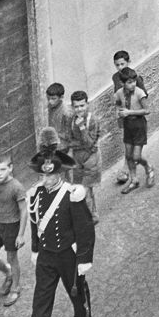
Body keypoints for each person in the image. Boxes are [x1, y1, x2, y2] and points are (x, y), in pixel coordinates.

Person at [25, 127, 95, 317]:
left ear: (59, 173)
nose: (45, 179)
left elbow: (85, 230)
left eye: (50, 175)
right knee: (40, 304)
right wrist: (36, 249)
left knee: (76, 295)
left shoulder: (71, 195)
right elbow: (36, 225)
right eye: (42, 175)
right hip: (46, 257)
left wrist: (84, 260)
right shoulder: (35, 195)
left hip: (68, 256)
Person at [0, 155, 29, 308]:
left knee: (12, 257)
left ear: (10, 168)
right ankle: (8, 273)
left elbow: (24, 211)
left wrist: (21, 234)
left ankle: (16, 288)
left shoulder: (16, 187)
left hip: (12, 226)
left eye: (3, 169)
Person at [114, 67, 153, 193]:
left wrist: (129, 112)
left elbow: (147, 110)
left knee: (136, 156)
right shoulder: (119, 93)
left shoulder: (139, 93)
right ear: (122, 83)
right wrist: (119, 113)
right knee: (128, 155)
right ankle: (134, 180)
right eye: (129, 82)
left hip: (139, 125)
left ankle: (148, 167)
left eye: (134, 81)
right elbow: (118, 105)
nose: (133, 84)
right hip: (128, 126)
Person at [66, 91, 101, 223]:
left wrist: (82, 128)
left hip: (90, 158)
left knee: (87, 189)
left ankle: (91, 217)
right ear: (72, 107)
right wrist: (76, 144)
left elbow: (89, 143)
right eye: (76, 107)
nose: (79, 109)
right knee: (79, 187)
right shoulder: (71, 120)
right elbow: (70, 140)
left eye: (82, 106)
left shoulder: (92, 120)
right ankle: (91, 213)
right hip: (77, 158)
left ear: (87, 104)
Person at [44, 83, 72, 151]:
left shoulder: (66, 113)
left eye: (53, 99)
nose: (50, 101)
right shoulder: (50, 105)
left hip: (62, 147)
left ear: (61, 97)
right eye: (48, 98)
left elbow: (69, 136)